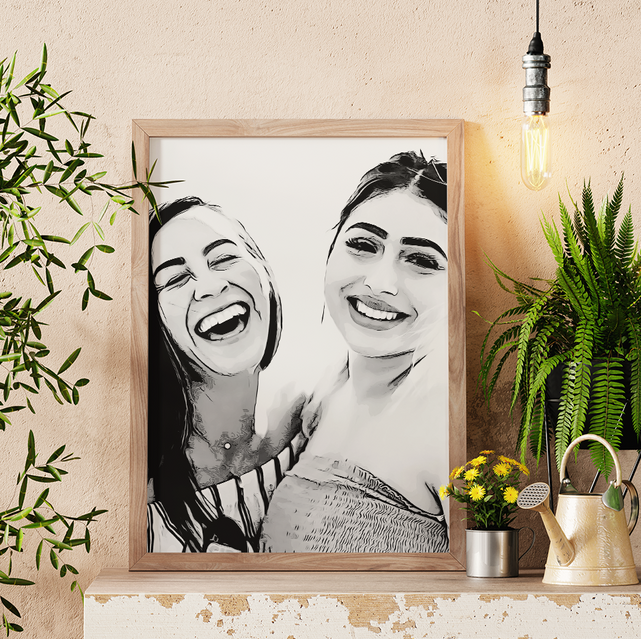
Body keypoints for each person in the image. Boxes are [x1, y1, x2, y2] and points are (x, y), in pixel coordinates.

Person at [260, 152, 450, 553]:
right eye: (363, 244)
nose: (381, 282)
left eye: (421, 260)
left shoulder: (443, 423)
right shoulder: (324, 394)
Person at [147, 197, 303, 552]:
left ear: (265, 275)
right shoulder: (139, 490)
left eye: (224, 258)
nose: (210, 286)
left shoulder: (314, 428)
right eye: (174, 279)